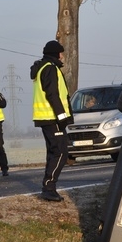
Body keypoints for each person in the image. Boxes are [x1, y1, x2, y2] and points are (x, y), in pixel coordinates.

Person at [30, 40, 74, 202]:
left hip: (46, 117)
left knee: (54, 152)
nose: (62, 57)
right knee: (61, 152)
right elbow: (53, 94)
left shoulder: (42, 68)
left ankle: (49, 187)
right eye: (61, 53)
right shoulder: (50, 68)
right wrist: (62, 117)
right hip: (52, 117)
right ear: (55, 54)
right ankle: (49, 187)